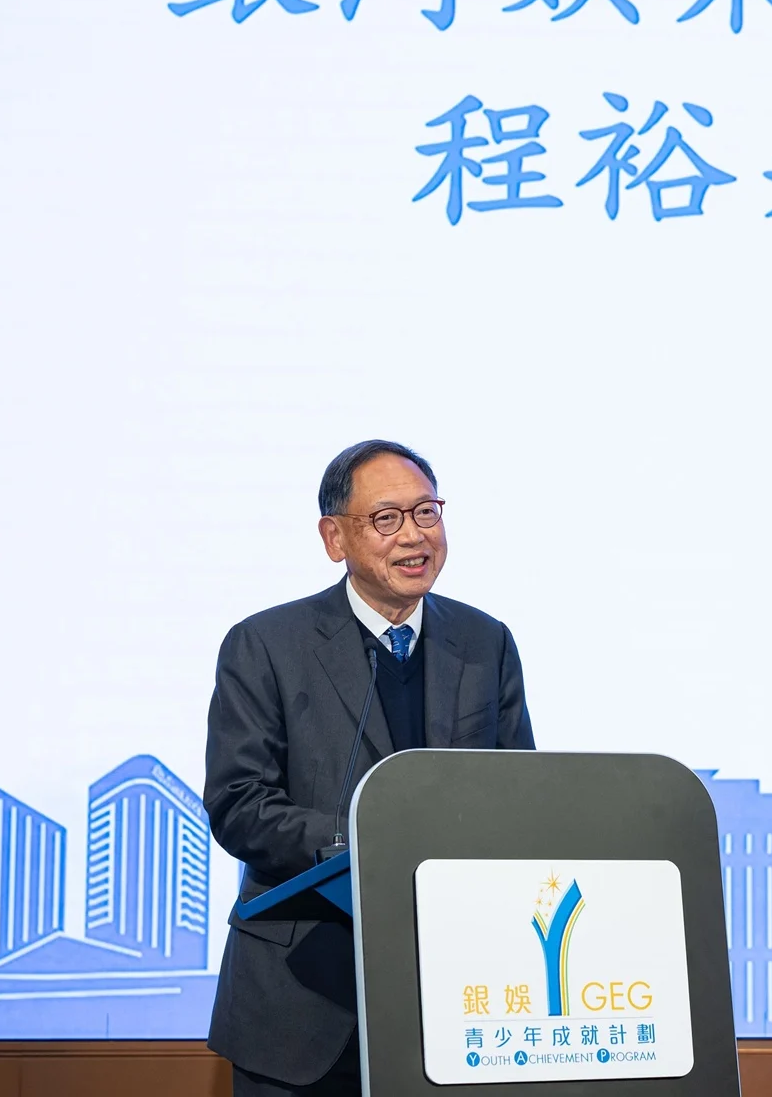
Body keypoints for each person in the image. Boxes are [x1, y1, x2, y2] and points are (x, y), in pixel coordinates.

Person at [204, 440, 536, 1096]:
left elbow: (518, 795)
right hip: (301, 997)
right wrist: (362, 842)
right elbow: (239, 804)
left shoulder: (485, 642)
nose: (414, 535)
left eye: (426, 512)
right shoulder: (265, 645)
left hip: (448, 997)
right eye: (387, 518)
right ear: (335, 538)